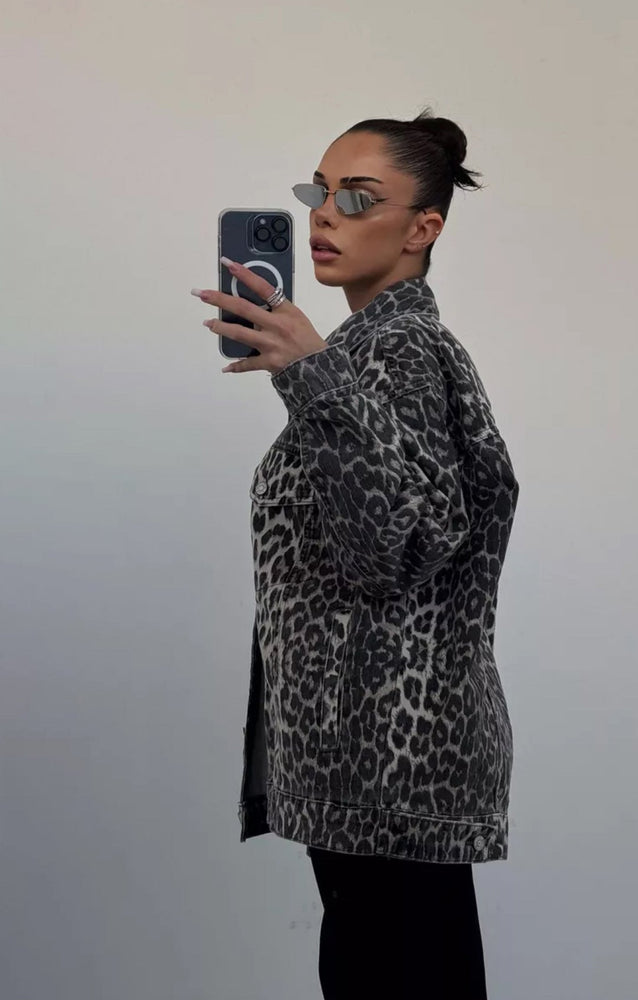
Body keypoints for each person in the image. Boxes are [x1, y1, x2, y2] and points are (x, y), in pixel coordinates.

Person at [192, 109, 519, 999]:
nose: (325, 215)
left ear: (423, 229)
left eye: (359, 198)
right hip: (366, 756)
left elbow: (396, 548)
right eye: (321, 192)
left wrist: (309, 374)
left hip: (389, 760)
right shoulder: (366, 350)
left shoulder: (400, 351)